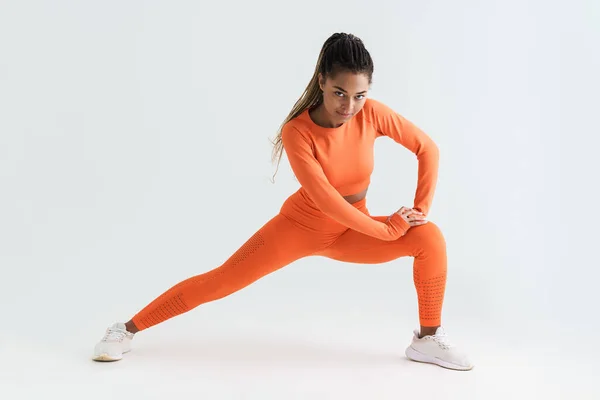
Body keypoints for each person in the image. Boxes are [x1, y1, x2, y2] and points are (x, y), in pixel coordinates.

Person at [92, 32, 473, 371]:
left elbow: (427, 149)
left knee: (429, 238)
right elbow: (325, 199)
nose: (349, 106)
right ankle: (125, 329)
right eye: (340, 93)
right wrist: (386, 229)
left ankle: (426, 338)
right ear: (322, 80)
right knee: (220, 281)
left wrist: (418, 213)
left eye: (359, 95)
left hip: (350, 230)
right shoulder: (297, 132)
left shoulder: (372, 114)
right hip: (300, 228)